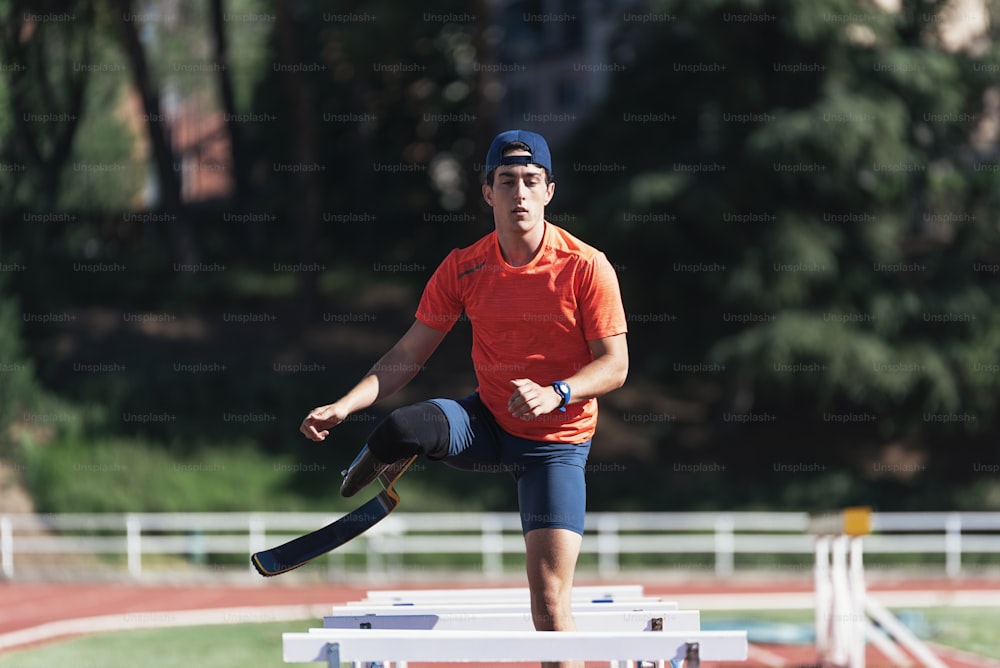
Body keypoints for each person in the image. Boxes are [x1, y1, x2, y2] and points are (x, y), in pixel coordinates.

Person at [300, 129, 628, 668]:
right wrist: (345, 405)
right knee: (402, 427)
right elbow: (407, 355)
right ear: (487, 193)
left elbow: (615, 365)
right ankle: (377, 457)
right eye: (507, 181)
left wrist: (557, 394)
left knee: (549, 605)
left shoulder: (586, 266)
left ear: (549, 191)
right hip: (488, 424)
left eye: (530, 181)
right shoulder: (464, 266)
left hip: (556, 446)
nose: (519, 193)